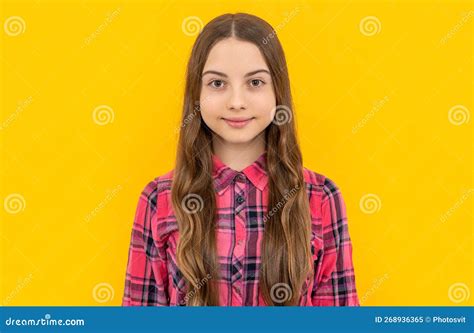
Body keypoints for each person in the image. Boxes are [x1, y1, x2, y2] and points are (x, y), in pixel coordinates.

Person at [122, 12, 359, 306]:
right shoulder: (158, 198)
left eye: (255, 82)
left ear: (277, 91)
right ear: (197, 94)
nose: (236, 102)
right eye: (217, 84)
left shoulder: (321, 197)